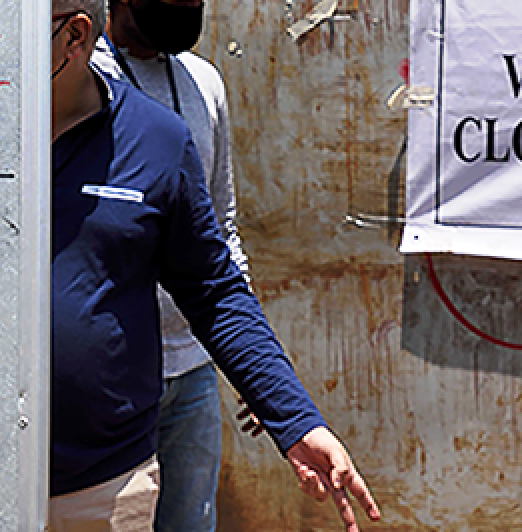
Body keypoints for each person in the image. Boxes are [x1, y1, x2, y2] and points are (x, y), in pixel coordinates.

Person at [47, 2, 382, 530]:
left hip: (103, 482)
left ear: (73, 36)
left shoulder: (159, 136)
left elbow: (214, 284)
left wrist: (291, 416)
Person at [88, 1, 239, 530]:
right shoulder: (83, 81)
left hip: (193, 367)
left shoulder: (204, 83)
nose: (185, 8)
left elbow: (221, 228)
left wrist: (244, 359)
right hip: (113, 372)